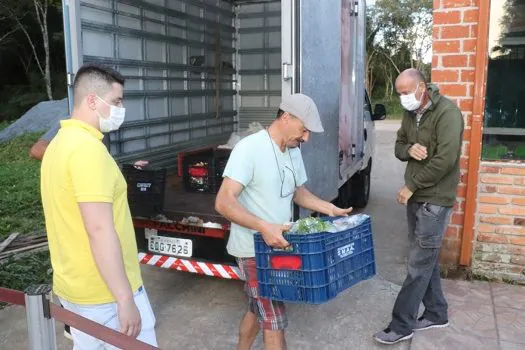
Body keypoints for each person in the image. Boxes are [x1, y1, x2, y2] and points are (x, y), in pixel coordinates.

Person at [215, 93, 354, 350]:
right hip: (253, 250)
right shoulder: (250, 149)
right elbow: (223, 202)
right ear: (286, 117)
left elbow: (298, 192)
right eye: (304, 130)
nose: (306, 137)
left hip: (278, 246)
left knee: (258, 309)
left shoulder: (292, 151)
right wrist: (264, 227)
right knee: (274, 320)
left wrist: (329, 208)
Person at [40, 63, 158, 348]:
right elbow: (99, 229)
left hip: (74, 288)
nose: (121, 108)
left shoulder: (58, 144)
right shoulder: (88, 151)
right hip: (104, 293)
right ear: (93, 100)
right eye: (117, 101)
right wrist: (124, 298)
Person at [374, 68, 464, 345]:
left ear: (421, 87)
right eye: (399, 93)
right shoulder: (411, 114)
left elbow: (445, 160)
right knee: (425, 259)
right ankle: (437, 312)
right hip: (417, 199)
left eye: (405, 92)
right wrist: (410, 148)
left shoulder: (447, 114)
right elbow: (399, 146)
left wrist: (412, 186)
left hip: (434, 200)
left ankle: (402, 324)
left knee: (417, 264)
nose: (402, 98)